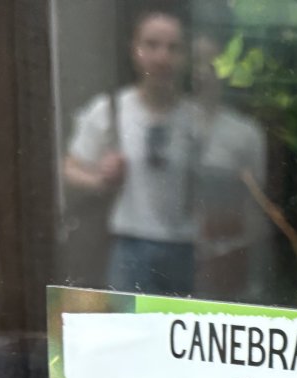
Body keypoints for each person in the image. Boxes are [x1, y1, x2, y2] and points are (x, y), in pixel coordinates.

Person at [64, 8, 202, 295]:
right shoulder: (111, 109)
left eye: (173, 48)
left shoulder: (197, 118)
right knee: (129, 336)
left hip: (188, 249)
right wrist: (100, 178)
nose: (162, 57)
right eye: (152, 45)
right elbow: (69, 167)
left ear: (185, 57)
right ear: (135, 50)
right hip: (130, 247)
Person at [189, 31, 270, 301]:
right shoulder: (171, 123)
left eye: (211, 64)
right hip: (175, 255)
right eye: (196, 63)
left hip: (228, 259)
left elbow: (255, 206)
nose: (202, 72)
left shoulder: (246, 133)